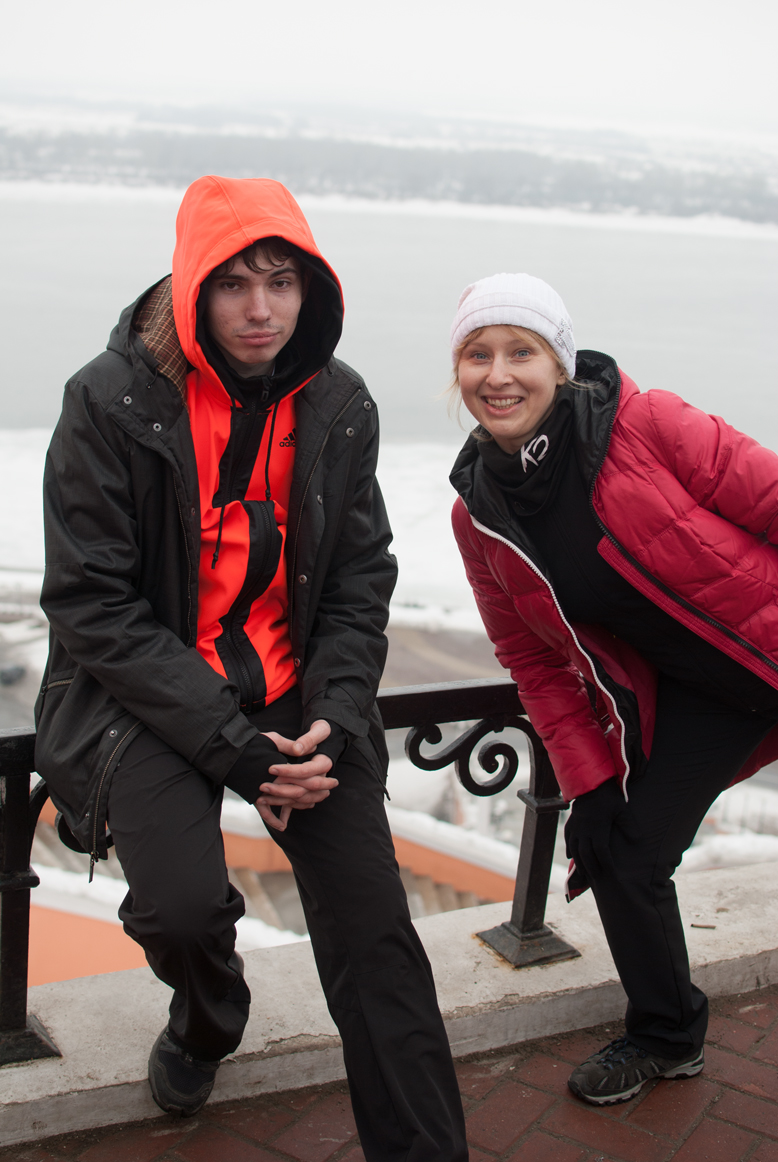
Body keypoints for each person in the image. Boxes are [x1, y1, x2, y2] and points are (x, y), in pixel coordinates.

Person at [35, 175, 468, 1160]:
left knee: (377, 939)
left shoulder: (339, 402)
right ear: (193, 286)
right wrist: (237, 751)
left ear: (312, 288)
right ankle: (207, 1018)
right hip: (153, 695)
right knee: (183, 913)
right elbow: (93, 602)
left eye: (281, 281)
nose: (261, 308)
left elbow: (359, 575)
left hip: (299, 694)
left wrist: (339, 714)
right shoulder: (108, 401)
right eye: (233, 283)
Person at [447, 272, 778, 1106]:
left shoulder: (645, 423)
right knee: (624, 851)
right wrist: (589, 780)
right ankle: (667, 1036)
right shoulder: (479, 515)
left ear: (559, 365)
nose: (498, 374)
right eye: (477, 355)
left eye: (521, 352)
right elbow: (532, 660)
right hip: (709, 695)